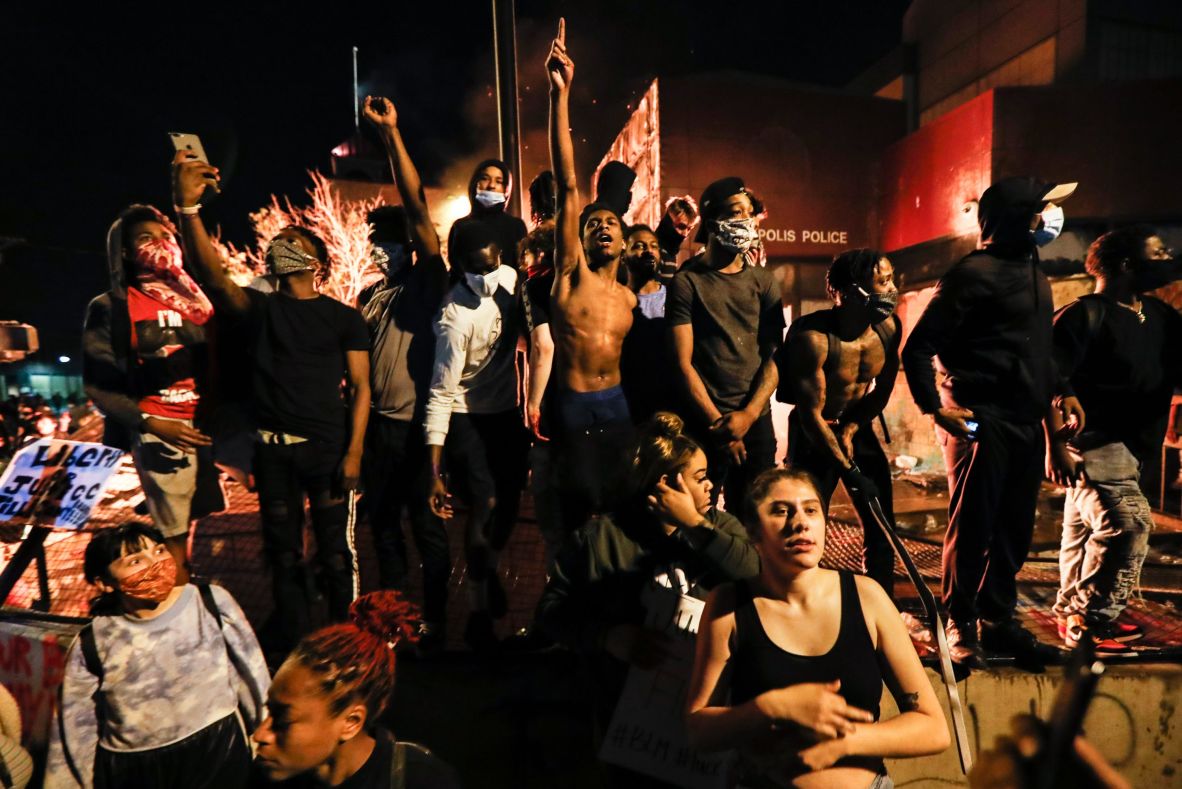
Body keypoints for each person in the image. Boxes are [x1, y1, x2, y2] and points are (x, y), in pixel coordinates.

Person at [174, 152, 371, 651]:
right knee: (280, 552)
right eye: (279, 241)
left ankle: (345, 641)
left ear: (317, 263)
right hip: (273, 452)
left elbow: (362, 388)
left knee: (334, 553)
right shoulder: (257, 309)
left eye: (295, 240)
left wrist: (353, 454)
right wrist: (188, 209)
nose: (283, 242)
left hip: (325, 449)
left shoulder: (343, 318)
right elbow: (212, 274)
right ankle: (294, 640)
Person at [901, 176, 1081, 669]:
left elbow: (1037, 351)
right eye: (1038, 212)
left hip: (1024, 420)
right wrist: (935, 409)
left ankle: (998, 621)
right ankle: (960, 620)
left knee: (1014, 527)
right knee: (975, 523)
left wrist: (1062, 393)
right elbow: (918, 348)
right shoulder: (972, 274)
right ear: (1015, 219)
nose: (1046, 220)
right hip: (981, 420)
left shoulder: (1031, 269)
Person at [685, 468, 950, 788]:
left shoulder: (867, 597)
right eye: (781, 511)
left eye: (811, 510)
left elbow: (933, 729)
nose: (800, 522)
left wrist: (845, 742)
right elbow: (698, 730)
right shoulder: (729, 605)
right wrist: (771, 707)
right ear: (753, 532)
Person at [537, 412, 759, 786]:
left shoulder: (718, 528)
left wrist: (693, 524)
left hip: (707, 719)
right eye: (700, 478)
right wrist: (608, 636)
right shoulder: (601, 539)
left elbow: (754, 574)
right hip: (635, 728)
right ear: (667, 483)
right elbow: (551, 611)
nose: (711, 487)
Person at [46, 522, 270, 788]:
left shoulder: (208, 603)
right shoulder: (94, 641)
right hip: (136, 769)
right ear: (104, 583)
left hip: (218, 748)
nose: (156, 563)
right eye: (136, 560)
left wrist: (265, 731)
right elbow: (75, 722)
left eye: (160, 550)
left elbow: (251, 672)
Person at [1047, 227, 1182, 651]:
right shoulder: (1082, 315)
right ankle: (1090, 620)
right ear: (1127, 264)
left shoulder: (1159, 315)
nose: (1169, 259)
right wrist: (1053, 448)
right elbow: (1046, 382)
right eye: (1158, 253)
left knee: (1083, 533)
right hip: (1094, 446)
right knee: (1129, 527)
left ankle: (1071, 611)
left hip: (1138, 445)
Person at [358, 96, 452, 654]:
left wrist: (392, 135)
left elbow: (416, 208)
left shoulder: (424, 284)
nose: (377, 253)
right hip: (378, 432)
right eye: (374, 246)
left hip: (420, 428)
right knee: (385, 531)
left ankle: (435, 626)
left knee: (429, 531)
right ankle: (397, 624)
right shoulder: (368, 297)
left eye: (386, 244)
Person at [82, 204, 217, 581]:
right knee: (171, 531)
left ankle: (183, 587)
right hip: (161, 426)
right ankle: (177, 598)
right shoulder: (112, 307)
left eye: (166, 237)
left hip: (206, 424)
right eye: (146, 239)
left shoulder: (197, 299)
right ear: (124, 252)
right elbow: (100, 384)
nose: (160, 245)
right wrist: (151, 424)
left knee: (193, 519)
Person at [545, 19, 639, 523]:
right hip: (576, 405)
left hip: (618, 403)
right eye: (593, 224)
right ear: (580, 240)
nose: (602, 227)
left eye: (611, 223)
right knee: (584, 508)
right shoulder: (571, 276)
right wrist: (561, 94)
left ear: (624, 238)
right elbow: (567, 184)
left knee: (624, 502)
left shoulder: (628, 299)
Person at [424, 219, 529, 652]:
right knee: (484, 505)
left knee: (511, 504)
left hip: (506, 414)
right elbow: (440, 394)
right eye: (475, 268)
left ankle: (488, 566)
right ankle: (478, 611)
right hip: (468, 416)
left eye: (491, 265)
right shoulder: (454, 318)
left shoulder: (510, 280)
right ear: (460, 267)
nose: (485, 276)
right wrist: (435, 469)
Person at [777, 249, 901, 598]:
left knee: (881, 525)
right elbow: (810, 414)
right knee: (806, 525)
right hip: (813, 433)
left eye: (891, 279)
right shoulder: (812, 339)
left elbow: (883, 389)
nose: (890, 290)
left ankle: (881, 604)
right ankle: (800, 602)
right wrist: (849, 470)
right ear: (847, 291)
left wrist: (851, 427)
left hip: (856, 425)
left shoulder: (889, 329)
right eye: (881, 282)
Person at [252, 591, 461, 788]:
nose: (260, 735)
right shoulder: (263, 778)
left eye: (282, 721)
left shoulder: (422, 780)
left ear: (350, 723)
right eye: (269, 712)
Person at [667, 176, 784, 510]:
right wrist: (721, 427)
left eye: (750, 214)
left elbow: (775, 356)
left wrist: (748, 415)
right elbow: (682, 363)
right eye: (735, 212)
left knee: (755, 518)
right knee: (697, 517)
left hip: (755, 423)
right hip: (704, 423)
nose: (745, 221)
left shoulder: (764, 282)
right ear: (712, 220)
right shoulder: (687, 282)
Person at [619, 224, 677, 424]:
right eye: (639, 246)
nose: (648, 251)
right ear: (623, 254)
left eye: (653, 246)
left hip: (670, 401)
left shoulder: (674, 298)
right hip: (631, 403)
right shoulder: (618, 301)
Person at [446, 159, 526, 272]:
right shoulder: (460, 227)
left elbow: (522, 267)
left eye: (499, 181)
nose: (492, 185)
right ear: (475, 184)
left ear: (506, 189)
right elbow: (456, 269)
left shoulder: (516, 226)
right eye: (485, 179)